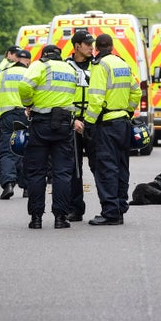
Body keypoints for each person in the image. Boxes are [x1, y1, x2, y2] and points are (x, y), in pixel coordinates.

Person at [84, 33, 141, 225]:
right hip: (123, 123)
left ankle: (110, 213)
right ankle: (120, 207)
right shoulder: (122, 64)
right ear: (112, 46)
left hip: (106, 124)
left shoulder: (101, 66)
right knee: (121, 167)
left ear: (97, 48)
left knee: (106, 168)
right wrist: (129, 110)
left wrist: (89, 122)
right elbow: (136, 91)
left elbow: (96, 97)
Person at [19, 44, 77, 229]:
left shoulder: (40, 65)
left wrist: (28, 103)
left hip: (41, 123)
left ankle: (36, 218)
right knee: (62, 173)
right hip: (63, 124)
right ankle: (61, 218)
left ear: (44, 54)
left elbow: (24, 86)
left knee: (37, 172)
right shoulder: (69, 68)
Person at [0, 49, 32, 200]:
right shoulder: (30, 74)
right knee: (26, 150)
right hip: (25, 116)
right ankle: (27, 188)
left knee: (6, 151)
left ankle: (8, 184)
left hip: (6, 116)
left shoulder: (3, 74)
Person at [65, 30, 97, 222]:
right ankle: (75, 209)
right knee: (73, 169)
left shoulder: (98, 66)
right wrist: (72, 119)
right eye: (87, 44)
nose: (91, 47)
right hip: (73, 122)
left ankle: (108, 207)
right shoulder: (65, 66)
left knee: (99, 166)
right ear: (77, 46)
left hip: (93, 123)